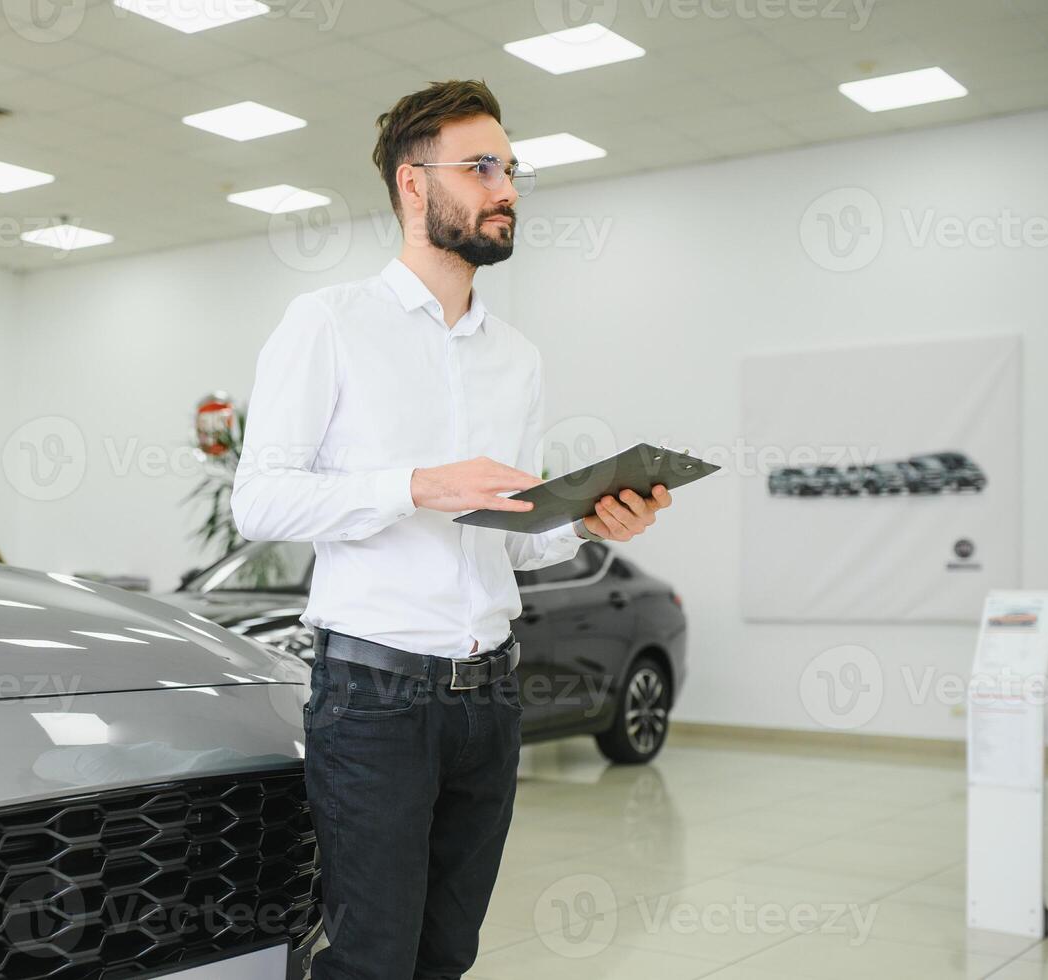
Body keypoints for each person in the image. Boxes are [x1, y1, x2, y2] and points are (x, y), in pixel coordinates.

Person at [230, 79, 672, 980]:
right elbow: (260, 502)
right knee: (372, 957)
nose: (503, 187)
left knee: (448, 953)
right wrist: (415, 485)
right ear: (411, 184)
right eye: (479, 167)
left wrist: (587, 522)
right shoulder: (327, 324)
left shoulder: (516, 357)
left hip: (490, 699)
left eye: (508, 168)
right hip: (373, 697)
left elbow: (510, 536)